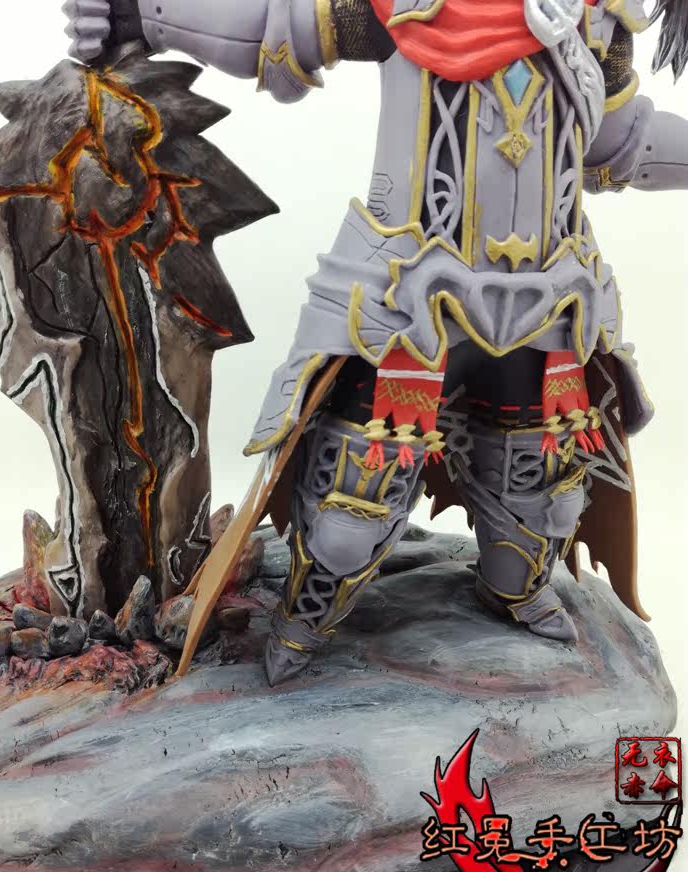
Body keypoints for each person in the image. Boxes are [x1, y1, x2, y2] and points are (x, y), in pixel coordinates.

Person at [64, 0, 688, 685]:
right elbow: (277, 28)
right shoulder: (403, 7)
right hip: (409, 304)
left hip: (548, 307)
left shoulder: (591, 17)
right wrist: (141, 16)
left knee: (544, 509)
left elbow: (617, 142)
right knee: (348, 519)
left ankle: (516, 590)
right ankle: (305, 617)